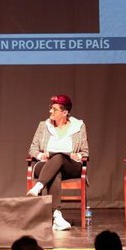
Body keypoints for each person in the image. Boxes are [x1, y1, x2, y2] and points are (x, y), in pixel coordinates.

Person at [26, 94, 89, 231]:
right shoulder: (44, 126)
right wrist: (41, 155)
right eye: (50, 108)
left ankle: (38, 186)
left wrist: (76, 155)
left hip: (70, 165)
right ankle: (57, 216)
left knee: (59, 157)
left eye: (54, 109)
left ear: (65, 112)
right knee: (55, 172)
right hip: (45, 166)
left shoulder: (78, 126)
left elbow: (85, 152)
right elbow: (32, 149)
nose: (50, 112)